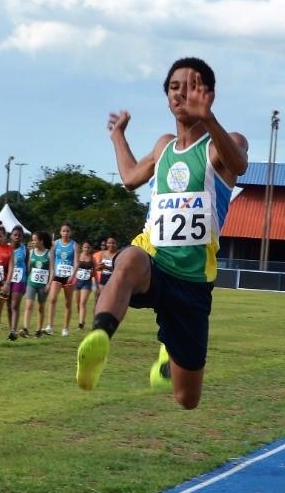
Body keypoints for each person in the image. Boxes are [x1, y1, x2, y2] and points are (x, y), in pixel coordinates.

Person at [77, 56, 249, 409]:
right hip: (154, 260)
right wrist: (117, 136)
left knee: (187, 398)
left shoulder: (222, 143)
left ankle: (168, 352)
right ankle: (99, 339)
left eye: (191, 86)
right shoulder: (163, 147)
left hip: (193, 279)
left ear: (208, 94)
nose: (181, 93)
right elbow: (129, 178)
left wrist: (208, 118)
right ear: (167, 96)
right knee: (128, 259)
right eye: (174, 87)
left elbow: (239, 164)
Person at [46, 223, 77, 335]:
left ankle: (65, 328)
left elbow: (77, 262)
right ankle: (49, 326)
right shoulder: (55, 244)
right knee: (52, 299)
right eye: (63, 231)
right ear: (60, 232)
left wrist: (72, 275)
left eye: (67, 231)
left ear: (71, 232)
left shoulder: (74, 245)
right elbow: (51, 261)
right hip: (57, 275)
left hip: (69, 276)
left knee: (68, 302)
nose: (65, 233)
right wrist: (51, 276)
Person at [24, 230, 53, 337]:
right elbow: (28, 268)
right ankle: (25, 329)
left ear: (41, 241)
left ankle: (38, 330)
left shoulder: (49, 254)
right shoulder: (31, 252)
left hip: (43, 284)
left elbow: (52, 270)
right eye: (32, 240)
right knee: (29, 305)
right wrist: (25, 280)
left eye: (34, 240)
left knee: (41, 307)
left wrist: (49, 283)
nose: (32, 242)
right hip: (31, 282)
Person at [6, 225, 28, 340]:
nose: (17, 237)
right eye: (15, 235)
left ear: (22, 237)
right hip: (7, 280)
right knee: (8, 306)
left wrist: (27, 282)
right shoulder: (6, 248)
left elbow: (28, 266)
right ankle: (11, 330)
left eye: (19, 235)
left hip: (20, 280)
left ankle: (13, 331)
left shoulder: (25, 249)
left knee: (15, 305)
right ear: (11, 236)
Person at [71, 240, 97, 330]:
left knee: (83, 303)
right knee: (78, 304)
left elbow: (95, 273)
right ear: (82, 248)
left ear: (91, 249)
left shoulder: (92, 259)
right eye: (85, 247)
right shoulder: (78, 256)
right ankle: (82, 319)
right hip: (77, 282)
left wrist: (97, 285)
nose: (86, 249)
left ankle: (81, 324)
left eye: (88, 248)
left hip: (87, 283)